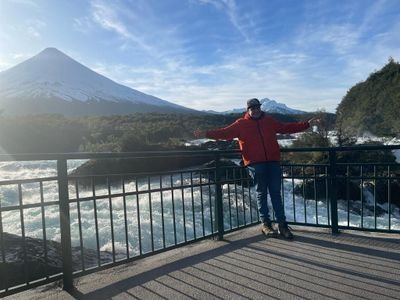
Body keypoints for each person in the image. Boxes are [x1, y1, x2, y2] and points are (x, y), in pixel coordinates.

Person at [194, 98, 319, 239]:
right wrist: (206, 133)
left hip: (273, 162)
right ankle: (266, 224)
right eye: (252, 108)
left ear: (260, 108)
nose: (255, 110)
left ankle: (282, 225)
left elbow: (287, 128)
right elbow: (224, 133)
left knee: (276, 194)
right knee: (261, 194)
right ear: (248, 110)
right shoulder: (240, 124)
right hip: (255, 164)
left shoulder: (269, 121)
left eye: (257, 107)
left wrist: (307, 124)